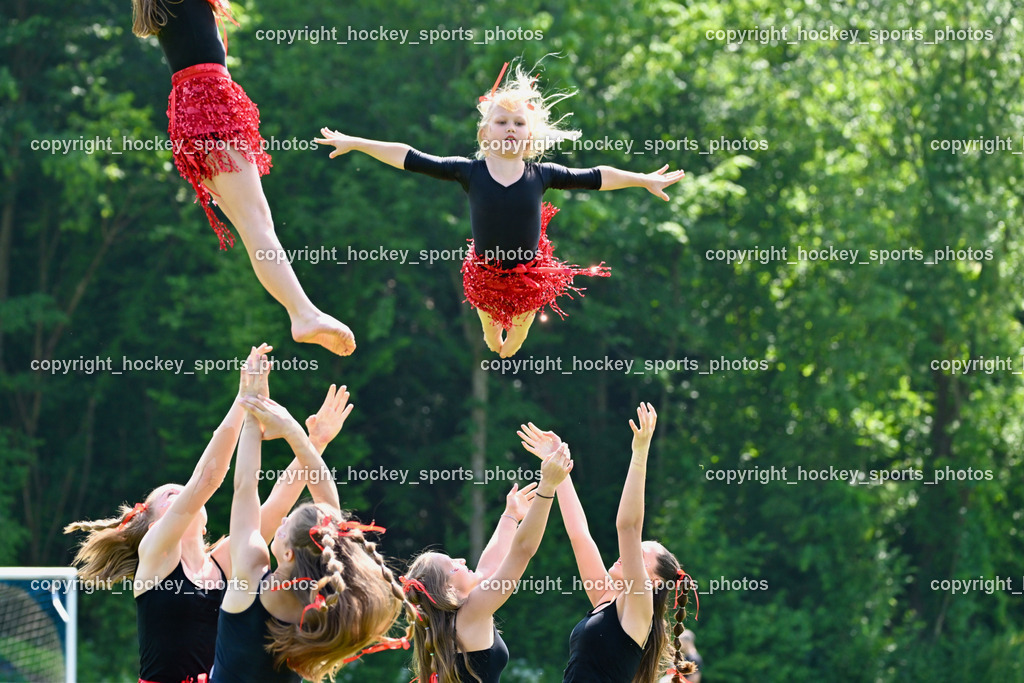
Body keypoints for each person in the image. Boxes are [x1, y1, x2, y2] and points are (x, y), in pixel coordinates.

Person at [315, 62, 684, 357]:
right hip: (484, 273)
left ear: (530, 135)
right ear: (485, 133)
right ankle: (491, 330)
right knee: (493, 339)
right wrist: (356, 143)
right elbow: (409, 156)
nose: (510, 129)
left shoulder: (542, 174)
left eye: (518, 123)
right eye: (502, 122)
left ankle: (516, 335)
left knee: (514, 342)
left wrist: (641, 178)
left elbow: (596, 176)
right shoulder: (469, 171)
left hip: (530, 275)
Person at [64, 344, 352, 682]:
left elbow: (276, 507)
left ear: (203, 528)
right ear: (158, 526)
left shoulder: (222, 561)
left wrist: (314, 442)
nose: (184, 494)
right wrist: (244, 401)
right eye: (172, 495)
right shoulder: (154, 556)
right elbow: (205, 479)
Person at [130, 0, 355, 356]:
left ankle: (301, 311)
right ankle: (303, 314)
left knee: (253, 227)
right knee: (256, 222)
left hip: (191, 107)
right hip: (207, 102)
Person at [211, 392, 412, 682]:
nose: (280, 519)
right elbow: (330, 514)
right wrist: (298, 434)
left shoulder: (250, 577)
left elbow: (245, 486)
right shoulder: (319, 612)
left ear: (290, 553)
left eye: (284, 525)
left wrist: (253, 412)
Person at [518, 404, 698, 683]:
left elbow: (628, 527)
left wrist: (639, 453)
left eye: (641, 556)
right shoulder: (607, 599)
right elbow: (579, 535)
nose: (629, 554)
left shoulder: (640, 608)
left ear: (654, 582)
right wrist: (558, 469)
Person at [401, 446, 573, 682]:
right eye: (453, 565)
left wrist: (510, 515)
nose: (461, 560)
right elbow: (521, 552)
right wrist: (547, 488)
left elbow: (486, 571)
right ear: (449, 590)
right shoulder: (470, 613)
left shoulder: (454, 623)